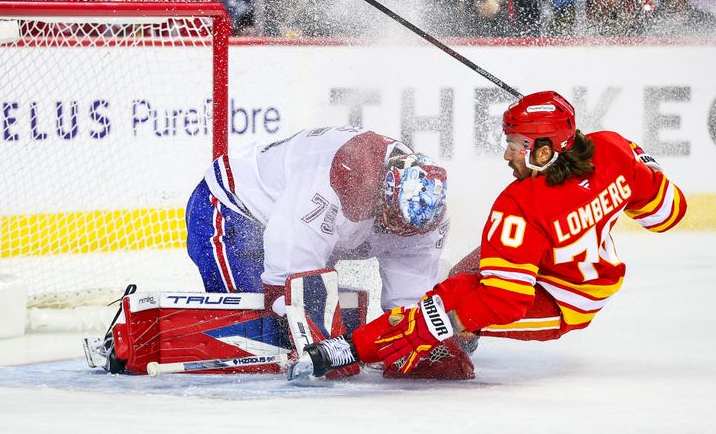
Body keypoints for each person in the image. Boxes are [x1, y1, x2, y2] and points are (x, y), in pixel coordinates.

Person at [291, 91, 688, 380]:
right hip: (575, 268)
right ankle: (442, 331)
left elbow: (506, 302)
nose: (507, 155)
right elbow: (668, 214)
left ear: (546, 151)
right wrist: (633, 171)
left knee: (442, 303)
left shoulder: (519, 203)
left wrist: (437, 324)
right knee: (458, 282)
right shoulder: (613, 149)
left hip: (559, 302)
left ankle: (341, 352)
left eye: (516, 145)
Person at [185, 126, 449, 320]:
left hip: (297, 222)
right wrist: (288, 305)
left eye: (407, 229)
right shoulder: (347, 176)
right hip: (234, 205)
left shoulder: (426, 213)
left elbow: (407, 303)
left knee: (314, 322)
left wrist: (412, 334)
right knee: (257, 325)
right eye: (392, 219)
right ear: (384, 191)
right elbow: (286, 278)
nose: (396, 232)